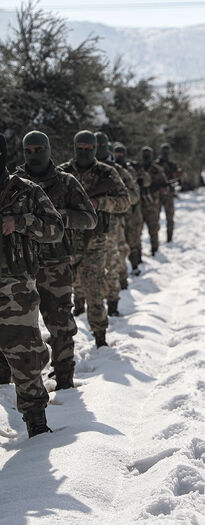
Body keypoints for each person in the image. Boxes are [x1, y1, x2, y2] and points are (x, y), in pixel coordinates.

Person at [8, 131, 97, 390]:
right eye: (28, 151)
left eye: (38, 150)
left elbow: (89, 219)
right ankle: (11, 380)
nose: (33, 155)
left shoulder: (66, 182)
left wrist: (57, 217)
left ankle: (64, 378)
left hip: (55, 265)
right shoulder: (15, 184)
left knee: (61, 323)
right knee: (13, 326)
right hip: (20, 266)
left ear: (48, 150)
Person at [0, 133, 64, 436]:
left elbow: (56, 229)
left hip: (15, 288)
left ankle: (36, 423)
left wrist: (20, 222)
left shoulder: (25, 190)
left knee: (24, 355)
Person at [60, 130, 129, 347]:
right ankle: (61, 341)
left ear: (95, 149)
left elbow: (125, 201)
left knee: (95, 290)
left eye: (88, 148)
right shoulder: (62, 172)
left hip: (95, 241)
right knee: (61, 294)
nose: (84, 152)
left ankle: (100, 337)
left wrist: (100, 203)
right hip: (67, 242)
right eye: (80, 148)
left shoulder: (106, 173)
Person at [95, 131, 132, 315]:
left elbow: (131, 196)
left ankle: (112, 302)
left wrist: (104, 202)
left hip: (111, 222)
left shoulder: (115, 171)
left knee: (112, 260)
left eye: (102, 146)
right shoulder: (78, 170)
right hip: (85, 224)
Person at [114, 143, 143, 276]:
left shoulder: (128, 171)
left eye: (120, 154)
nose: (118, 156)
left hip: (130, 210)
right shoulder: (110, 169)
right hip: (115, 212)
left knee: (132, 238)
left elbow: (134, 190)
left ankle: (135, 264)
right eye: (116, 153)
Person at [135, 146, 169, 256]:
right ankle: (137, 253)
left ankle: (155, 250)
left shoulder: (157, 170)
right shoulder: (137, 168)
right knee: (137, 230)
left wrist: (160, 189)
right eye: (144, 154)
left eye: (148, 154)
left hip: (152, 204)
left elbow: (165, 186)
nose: (146, 156)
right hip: (138, 204)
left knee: (153, 228)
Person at [156, 143, 181, 243]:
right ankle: (155, 240)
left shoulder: (172, 165)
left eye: (167, 151)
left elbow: (177, 180)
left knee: (170, 218)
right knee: (155, 219)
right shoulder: (156, 164)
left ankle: (169, 238)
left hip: (169, 194)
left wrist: (177, 175)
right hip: (158, 194)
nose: (165, 153)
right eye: (164, 151)